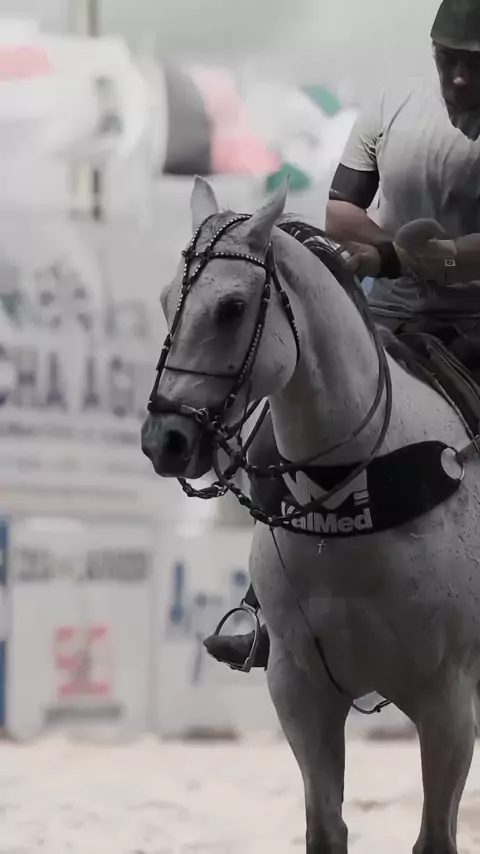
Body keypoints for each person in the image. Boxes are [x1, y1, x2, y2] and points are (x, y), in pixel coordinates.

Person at [203, 0, 480, 671]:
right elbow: (341, 211)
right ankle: (260, 607)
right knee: (285, 424)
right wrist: (394, 255)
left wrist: (427, 258)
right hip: (386, 315)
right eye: (449, 62)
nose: (460, 80)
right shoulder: (389, 106)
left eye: (475, 66)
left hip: (474, 321)